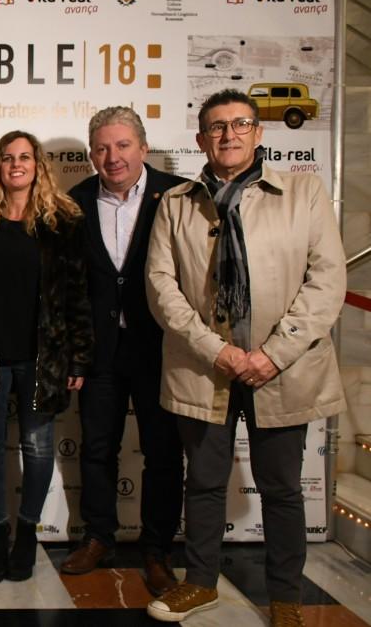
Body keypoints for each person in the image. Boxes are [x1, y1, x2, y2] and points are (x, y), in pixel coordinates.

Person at [145, 89, 346, 626]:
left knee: (282, 489)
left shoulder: (303, 193)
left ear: (258, 133)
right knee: (204, 482)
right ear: (201, 139)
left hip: (282, 369)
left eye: (239, 124)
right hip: (204, 367)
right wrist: (219, 351)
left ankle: (286, 599)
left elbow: (326, 282)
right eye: (217, 127)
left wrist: (273, 355)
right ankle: (199, 583)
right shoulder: (176, 203)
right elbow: (161, 287)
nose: (228, 134)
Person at [0, 131, 92, 584]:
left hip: (43, 360)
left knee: (37, 448)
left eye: (25, 157)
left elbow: (77, 295)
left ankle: (27, 534)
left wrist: (78, 358)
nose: (16, 164)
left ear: (38, 166)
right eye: (7, 158)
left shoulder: (64, 223)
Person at [62, 107, 186, 595]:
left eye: (122, 145)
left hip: (161, 348)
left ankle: (157, 551)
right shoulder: (74, 202)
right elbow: (71, 286)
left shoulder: (177, 195)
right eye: (102, 148)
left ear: (143, 147)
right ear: (92, 154)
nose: (112, 157)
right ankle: (99, 537)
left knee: (163, 452)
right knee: (97, 449)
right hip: (100, 351)